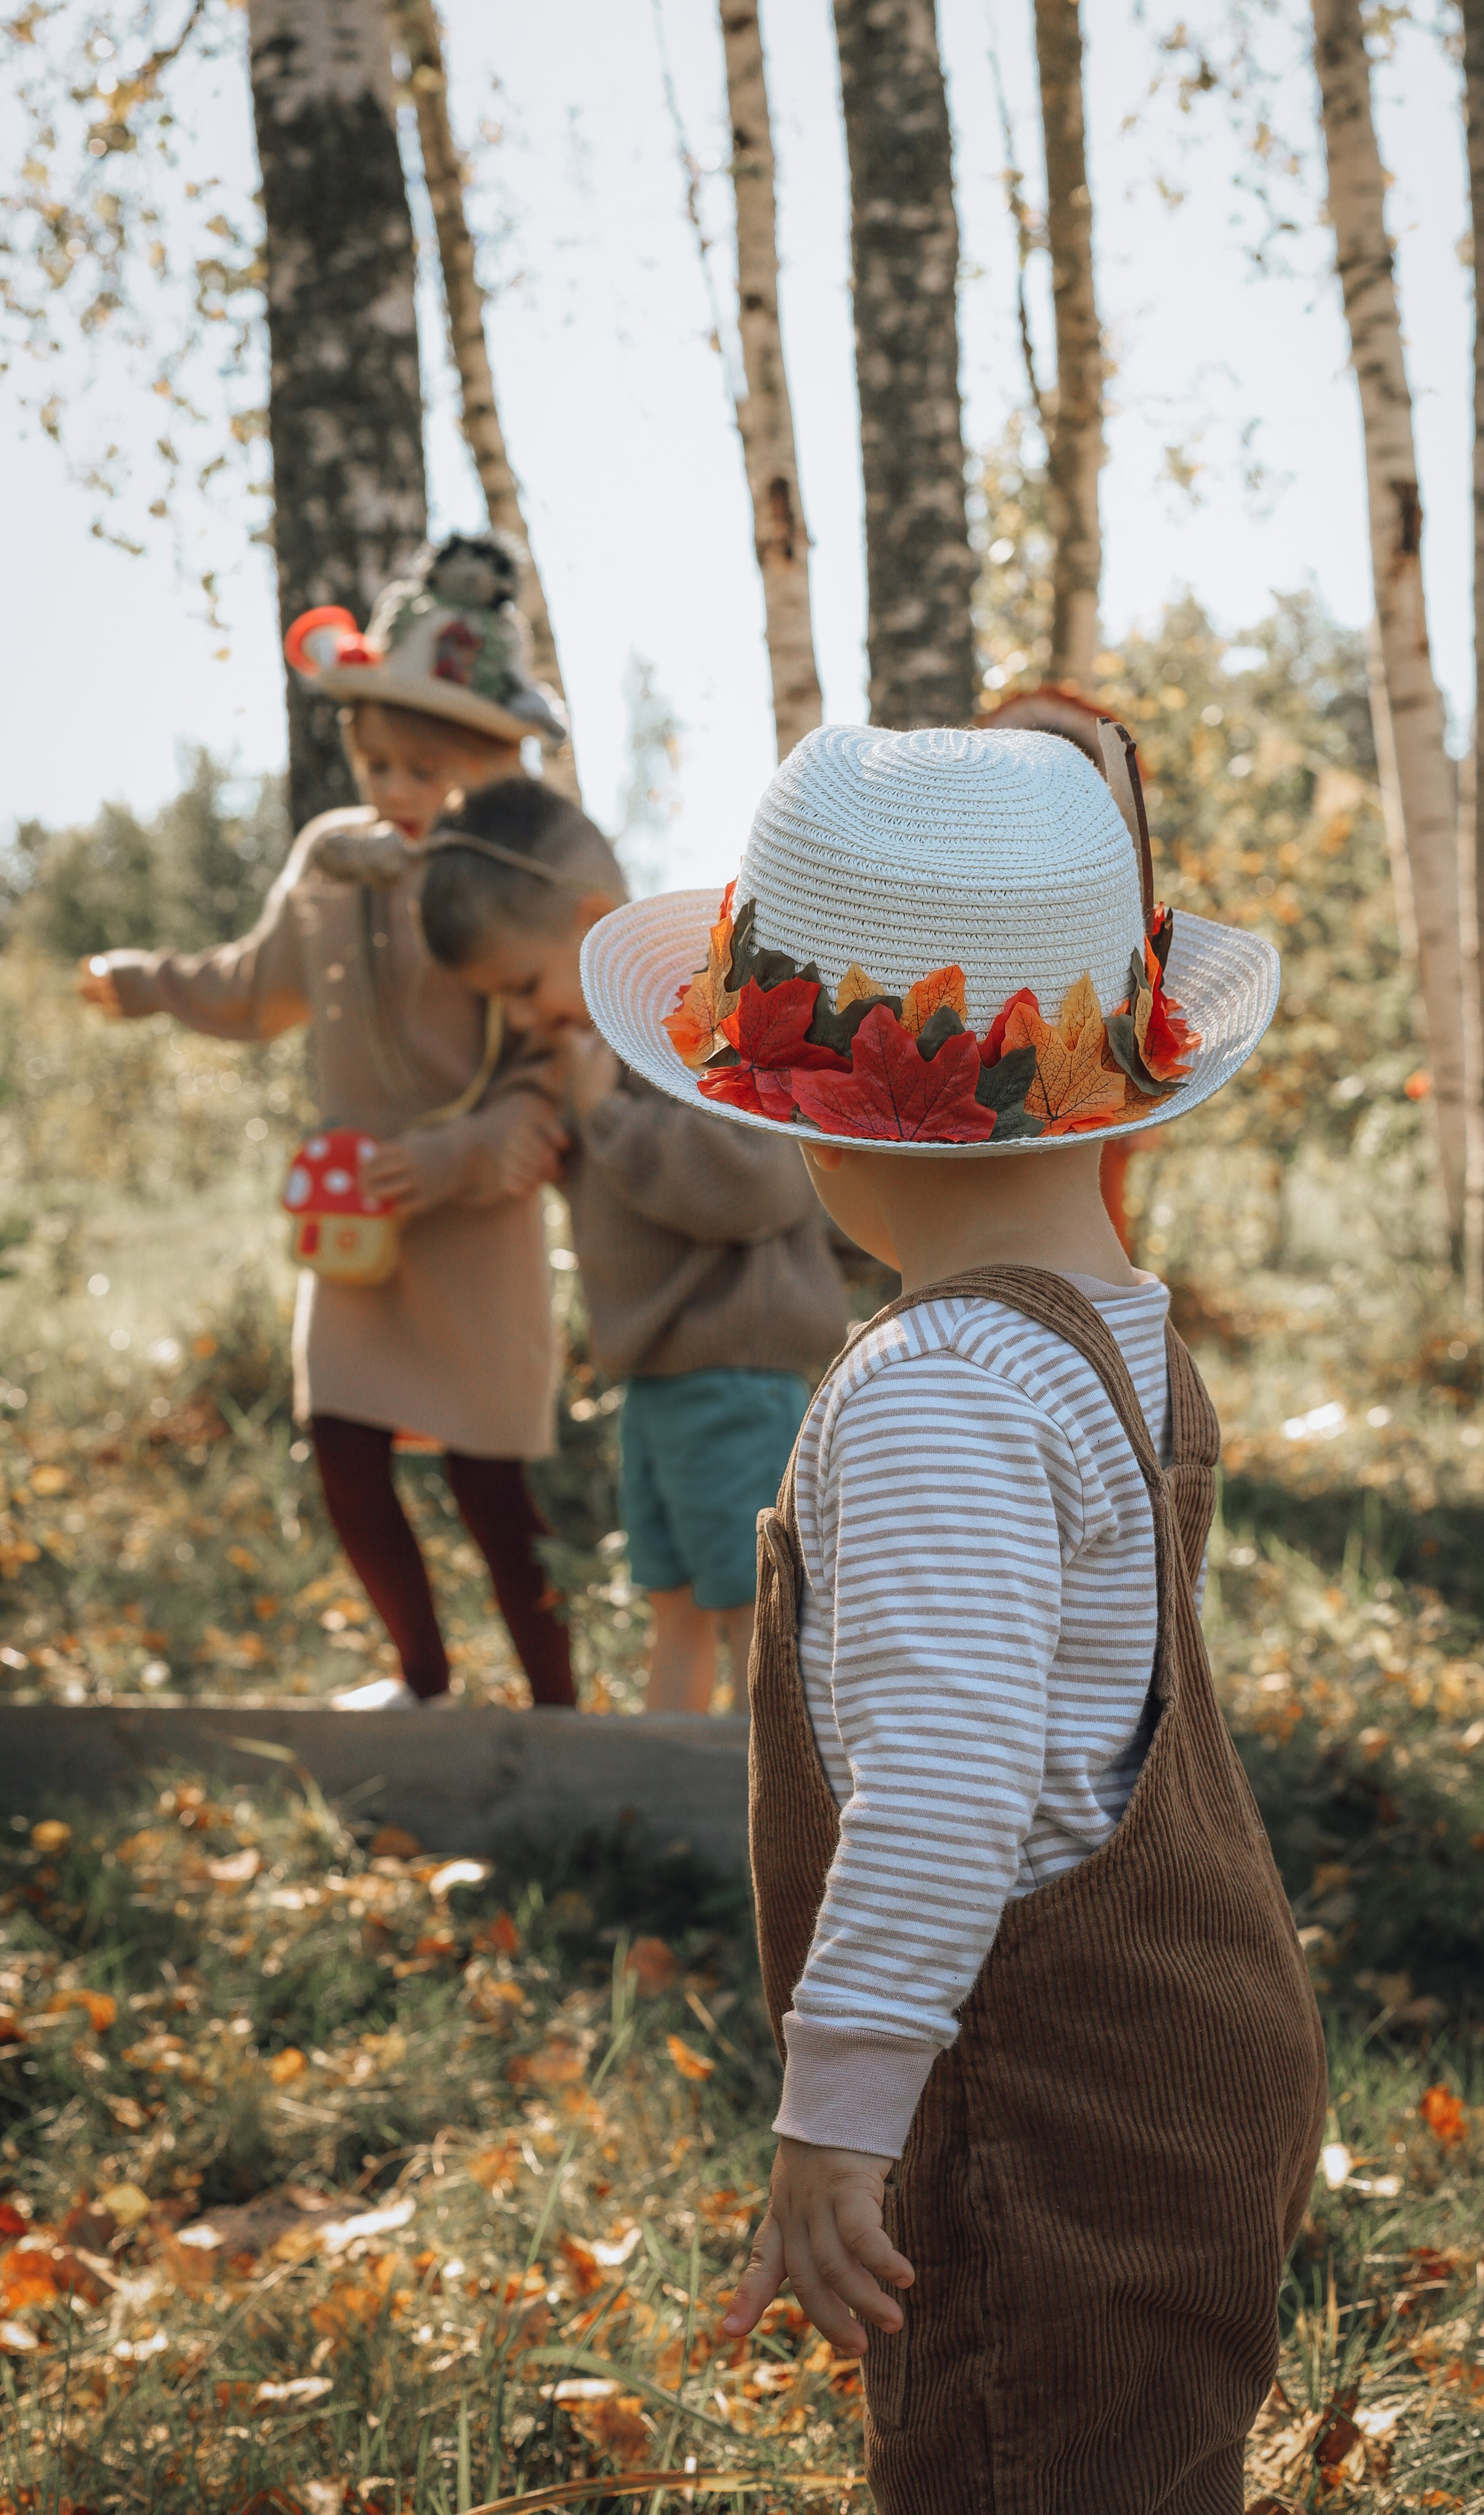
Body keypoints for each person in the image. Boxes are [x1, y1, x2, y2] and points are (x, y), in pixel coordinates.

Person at [579, 722, 1327, 2511]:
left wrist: (842, 2112)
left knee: (1018, 2462)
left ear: (807, 1132)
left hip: (1041, 2111)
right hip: (1187, 2056)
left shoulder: (937, 1389)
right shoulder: (1116, 1332)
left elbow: (944, 1786)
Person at [77, 534, 578, 1713]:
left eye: (423, 769)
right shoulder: (325, 861)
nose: (394, 790)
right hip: (353, 1217)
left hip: (472, 1213)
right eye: (377, 762)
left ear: (489, 766)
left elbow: (548, 1054)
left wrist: (460, 1153)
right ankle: (423, 1680)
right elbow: (257, 987)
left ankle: (561, 1717)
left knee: (489, 1484)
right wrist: (149, 979)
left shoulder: (503, 875)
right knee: (344, 1452)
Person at [417, 777, 849, 1713]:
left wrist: (603, 1122)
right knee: (674, 1599)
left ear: (594, 921)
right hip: (657, 1381)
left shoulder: (690, 1029)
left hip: (731, 1371)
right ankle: (662, 1792)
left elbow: (761, 1184)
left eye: (524, 986)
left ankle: (763, 1808)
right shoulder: (593, 1050)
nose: (526, 1018)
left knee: (751, 1605)